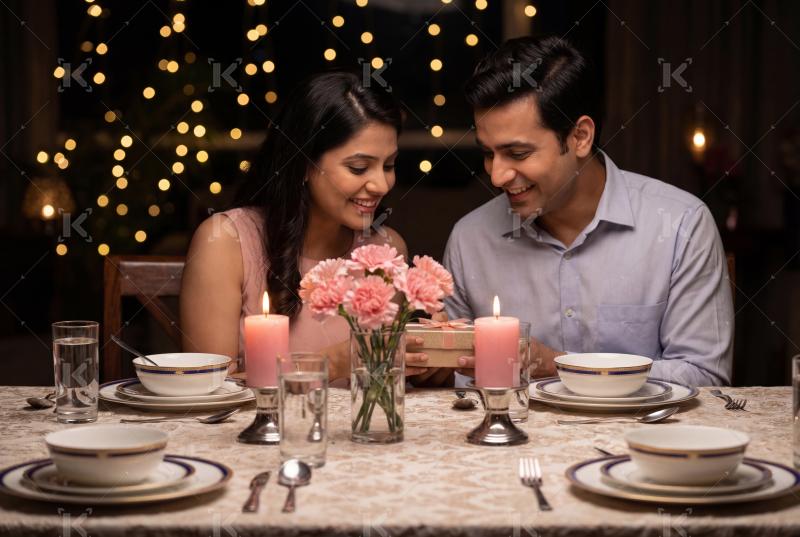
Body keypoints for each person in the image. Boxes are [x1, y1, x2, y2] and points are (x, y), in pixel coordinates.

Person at [443, 36, 733, 387]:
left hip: (638, 441)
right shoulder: (469, 239)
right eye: (488, 153)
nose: (496, 175)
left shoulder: (680, 226)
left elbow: (705, 379)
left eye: (517, 154)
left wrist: (561, 366)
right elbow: (457, 387)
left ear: (580, 136)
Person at [180, 71, 447, 384]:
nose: (381, 184)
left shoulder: (385, 250)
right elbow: (206, 390)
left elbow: (383, 383)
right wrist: (333, 363)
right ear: (304, 164)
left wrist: (430, 364)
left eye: (388, 165)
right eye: (358, 168)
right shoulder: (225, 243)